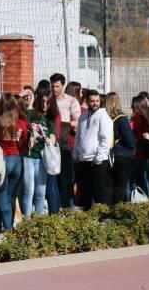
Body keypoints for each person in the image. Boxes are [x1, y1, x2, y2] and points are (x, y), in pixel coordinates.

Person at [72, 90, 113, 209]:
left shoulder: (103, 116)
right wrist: (76, 154)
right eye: (92, 101)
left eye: (97, 101)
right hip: (83, 160)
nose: (95, 103)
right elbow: (78, 136)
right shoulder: (83, 117)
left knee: (99, 192)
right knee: (85, 192)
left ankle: (104, 218)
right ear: (87, 101)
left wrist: (99, 158)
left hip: (97, 161)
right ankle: (87, 219)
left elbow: (106, 139)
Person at [0, 94, 27, 230]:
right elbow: (24, 143)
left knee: (2, 196)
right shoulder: (21, 122)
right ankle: (9, 225)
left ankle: (6, 229)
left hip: (3, 160)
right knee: (11, 196)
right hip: (17, 160)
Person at [22, 90, 57, 216]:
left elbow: (51, 143)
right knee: (28, 191)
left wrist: (43, 135)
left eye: (47, 102)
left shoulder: (50, 121)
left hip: (42, 159)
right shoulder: (31, 114)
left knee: (40, 193)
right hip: (29, 156)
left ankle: (38, 223)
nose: (44, 105)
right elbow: (21, 122)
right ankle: (26, 224)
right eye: (42, 101)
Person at [51, 73, 81, 209]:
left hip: (66, 144)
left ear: (63, 85)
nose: (54, 89)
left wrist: (61, 124)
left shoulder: (71, 101)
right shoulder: (49, 100)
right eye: (52, 86)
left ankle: (66, 205)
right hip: (50, 144)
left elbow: (77, 122)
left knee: (65, 177)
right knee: (52, 176)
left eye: (57, 86)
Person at [106, 92, 135, 205]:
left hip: (107, 155)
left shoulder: (104, 117)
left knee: (109, 186)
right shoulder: (121, 119)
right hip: (121, 155)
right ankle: (117, 211)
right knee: (120, 186)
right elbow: (130, 141)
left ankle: (107, 210)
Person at [130, 94, 149, 198]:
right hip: (144, 152)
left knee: (137, 180)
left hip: (137, 152)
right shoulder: (148, 117)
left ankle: (141, 199)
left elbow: (136, 134)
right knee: (144, 179)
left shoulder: (137, 117)